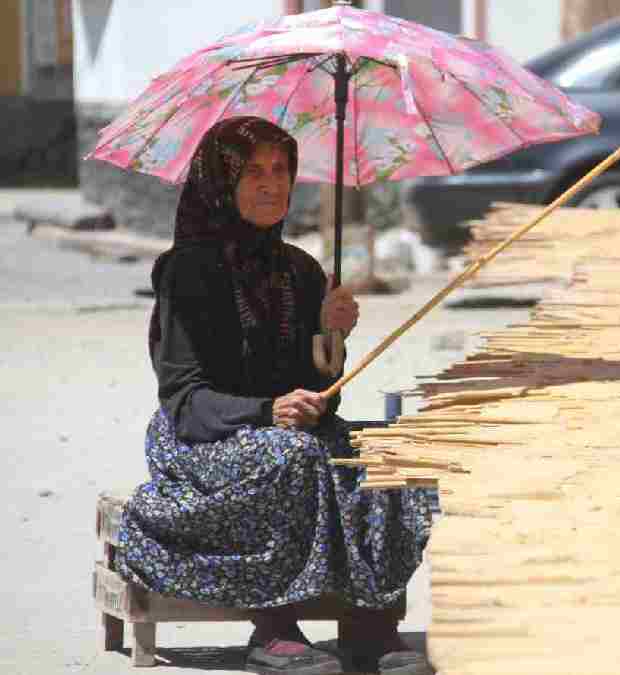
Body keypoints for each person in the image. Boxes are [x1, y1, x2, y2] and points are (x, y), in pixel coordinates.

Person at [117, 116, 436, 675]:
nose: (272, 184)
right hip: (203, 437)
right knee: (292, 456)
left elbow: (322, 400)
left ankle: (371, 625)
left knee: (388, 453)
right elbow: (185, 399)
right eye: (255, 172)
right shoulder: (187, 271)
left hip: (289, 430)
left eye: (282, 170)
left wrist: (332, 335)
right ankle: (274, 628)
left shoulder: (301, 270)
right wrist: (267, 411)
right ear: (220, 183)